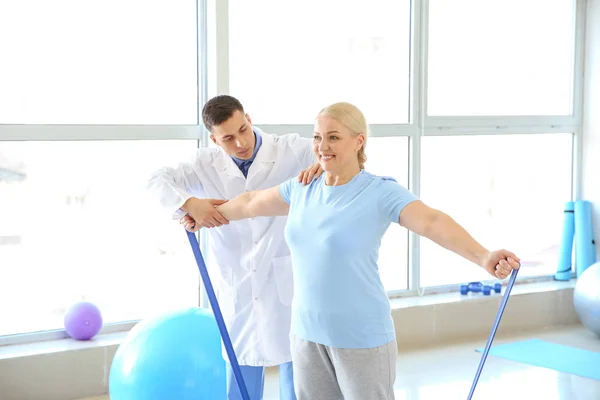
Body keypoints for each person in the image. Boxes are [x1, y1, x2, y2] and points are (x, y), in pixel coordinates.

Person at [182, 101, 522, 400]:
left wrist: (483, 256)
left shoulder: (379, 191)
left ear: (359, 140)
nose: (322, 146)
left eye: (333, 137)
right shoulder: (302, 187)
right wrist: (205, 213)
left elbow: (432, 222)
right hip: (305, 335)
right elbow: (251, 202)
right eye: (317, 137)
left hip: (361, 337)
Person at [147, 94, 323, 400]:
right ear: (214, 140)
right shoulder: (205, 164)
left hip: (285, 271)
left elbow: (332, 152)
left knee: (295, 365)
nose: (241, 142)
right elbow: (155, 180)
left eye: (243, 129)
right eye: (228, 138)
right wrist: (190, 203)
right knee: (241, 362)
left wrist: (321, 166)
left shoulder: (289, 149)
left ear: (249, 119)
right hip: (237, 277)